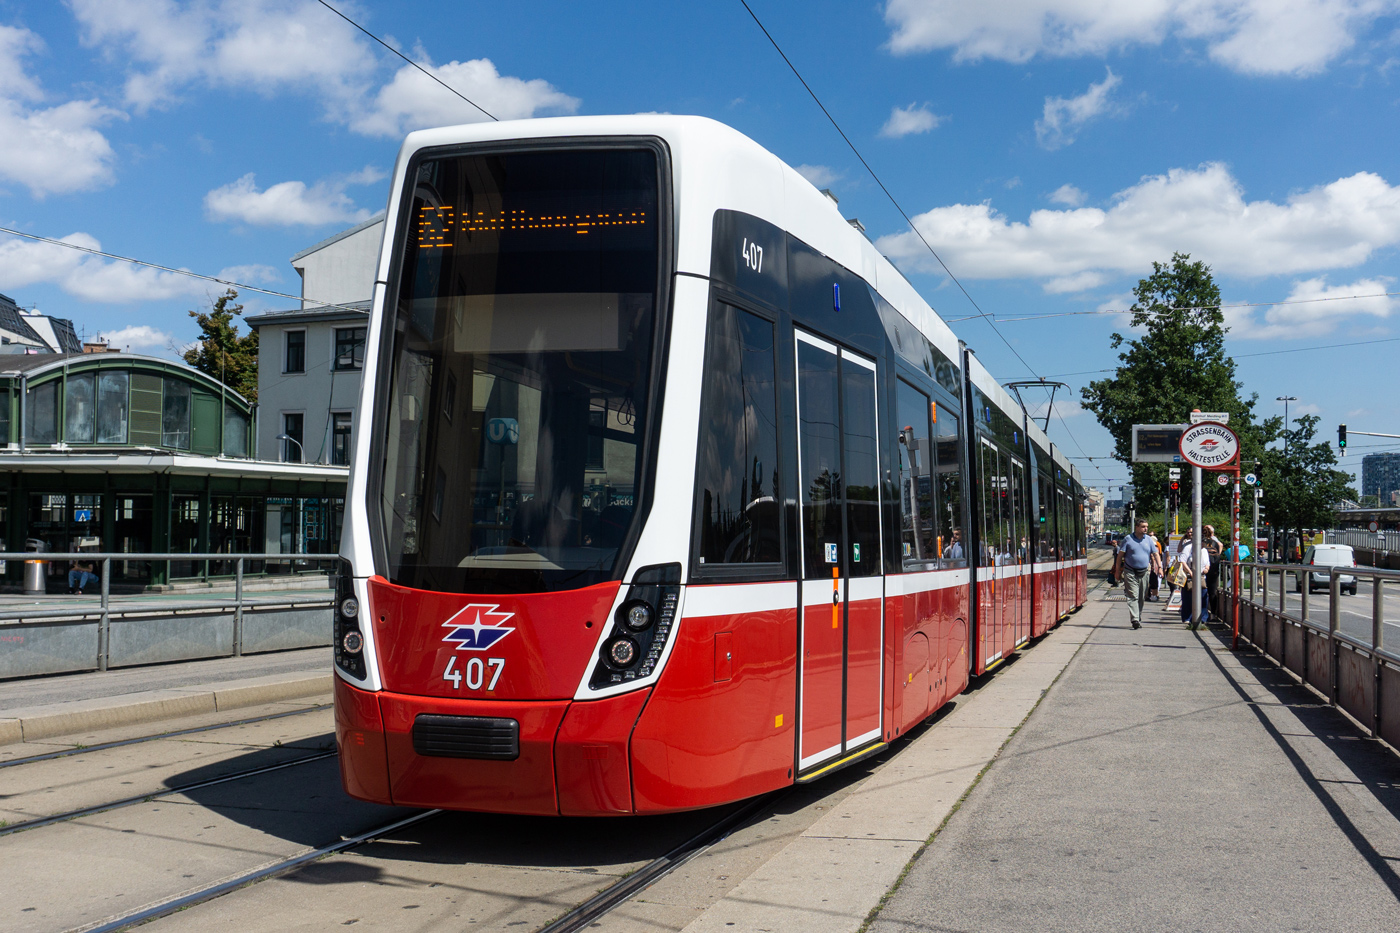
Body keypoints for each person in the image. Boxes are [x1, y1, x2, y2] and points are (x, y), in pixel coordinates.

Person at [1118, 519, 1155, 630]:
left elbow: (1155, 554)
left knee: (1141, 597)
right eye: (1143, 526)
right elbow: (1120, 556)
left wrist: (1159, 567)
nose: (1146, 529)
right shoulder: (1128, 539)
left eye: (1147, 527)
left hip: (1144, 572)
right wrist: (1117, 571)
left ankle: (1138, 617)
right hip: (1130, 571)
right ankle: (1135, 619)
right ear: (1137, 527)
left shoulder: (1149, 540)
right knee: (1133, 595)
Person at [1177, 535, 1211, 628]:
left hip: (1201, 576)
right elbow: (1182, 561)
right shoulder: (1188, 548)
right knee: (1188, 597)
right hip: (1189, 577)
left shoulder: (1204, 550)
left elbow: (1207, 562)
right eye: (1203, 543)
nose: (1204, 545)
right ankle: (1187, 618)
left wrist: (1207, 569)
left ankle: (1203, 618)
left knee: (1203, 596)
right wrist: (1190, 571)